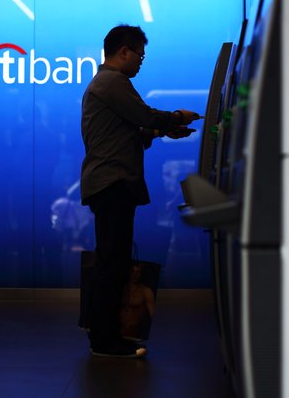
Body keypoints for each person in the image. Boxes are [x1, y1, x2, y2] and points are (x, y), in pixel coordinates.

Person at [80, 24, 199, 358]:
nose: (141, 62)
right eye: (140, 55)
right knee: (112, 262)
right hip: (112, 183)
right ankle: (104, 339)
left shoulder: (106, 84)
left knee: (113, 259)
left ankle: (105, 333)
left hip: (110, 183)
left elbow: (132, 131)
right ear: (124, 52)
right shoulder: (113, 82)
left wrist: (164, 131)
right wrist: (175, 116)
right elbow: (144, 116)